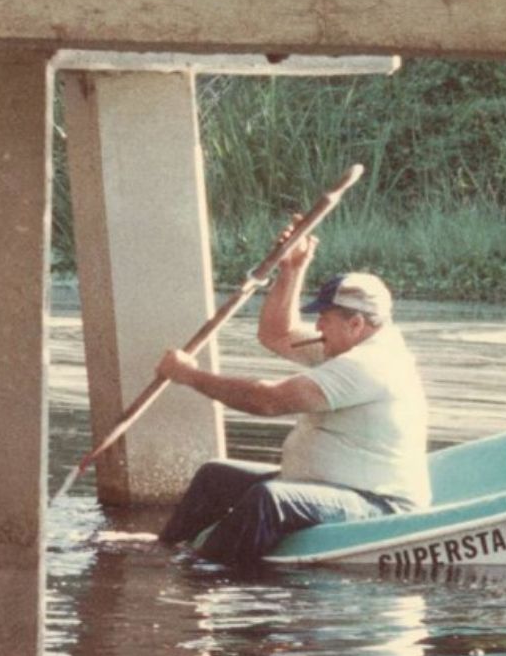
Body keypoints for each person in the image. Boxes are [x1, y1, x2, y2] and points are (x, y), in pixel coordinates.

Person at [154, 229, 429, 565]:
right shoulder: (344, 346)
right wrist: (291, 270)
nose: (317, 329)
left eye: (323, 320)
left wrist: (190, 376)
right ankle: (163, 551)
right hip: (325, 486)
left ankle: (199, 575)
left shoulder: (371, 365)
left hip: (377, 503)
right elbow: (276, 334)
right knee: (216, 477)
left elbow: (266, 401)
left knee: (269, 499)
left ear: (355, 323)